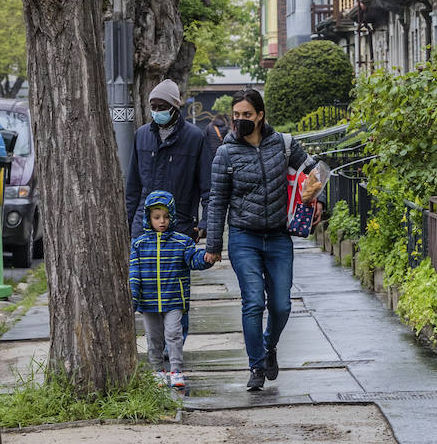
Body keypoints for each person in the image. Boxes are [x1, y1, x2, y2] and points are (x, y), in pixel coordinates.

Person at [204, 88, 319, 391]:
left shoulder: (283, 145)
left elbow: (313, 172)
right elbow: (217, 201)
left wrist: (317, 199)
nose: (240, 120)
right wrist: (214, 246)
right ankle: (256, 365)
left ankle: (269, 346)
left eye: (246, 115)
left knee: (281, 305)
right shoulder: (225, 153)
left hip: (279, 237)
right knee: (253, 302)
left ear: (260, 116)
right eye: (236, 116)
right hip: (244, 237)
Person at [129, 190, 214, 389]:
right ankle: (158, 371)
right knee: (154, 338)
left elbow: (194, 260)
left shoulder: (182, 242)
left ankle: (176, 370)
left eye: (166, 217)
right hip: (149, 301)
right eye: (157, 217)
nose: (162, 221)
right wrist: (133, 298)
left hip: (174, 299)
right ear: (148, 218)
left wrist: (207, 258)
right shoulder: (139, 245)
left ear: (172, 216)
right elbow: (134, 274)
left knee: (174, 333)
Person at [125, 79, 213, 240]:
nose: (157, 111)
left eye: (162, 107)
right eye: (153, 107)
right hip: (143, 226)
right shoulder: (141, 135)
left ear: (175, 107)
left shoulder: (195, 138)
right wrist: (127, 222)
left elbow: (208, 187)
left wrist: (205, 223)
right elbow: (133, 186)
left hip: (180, 224)